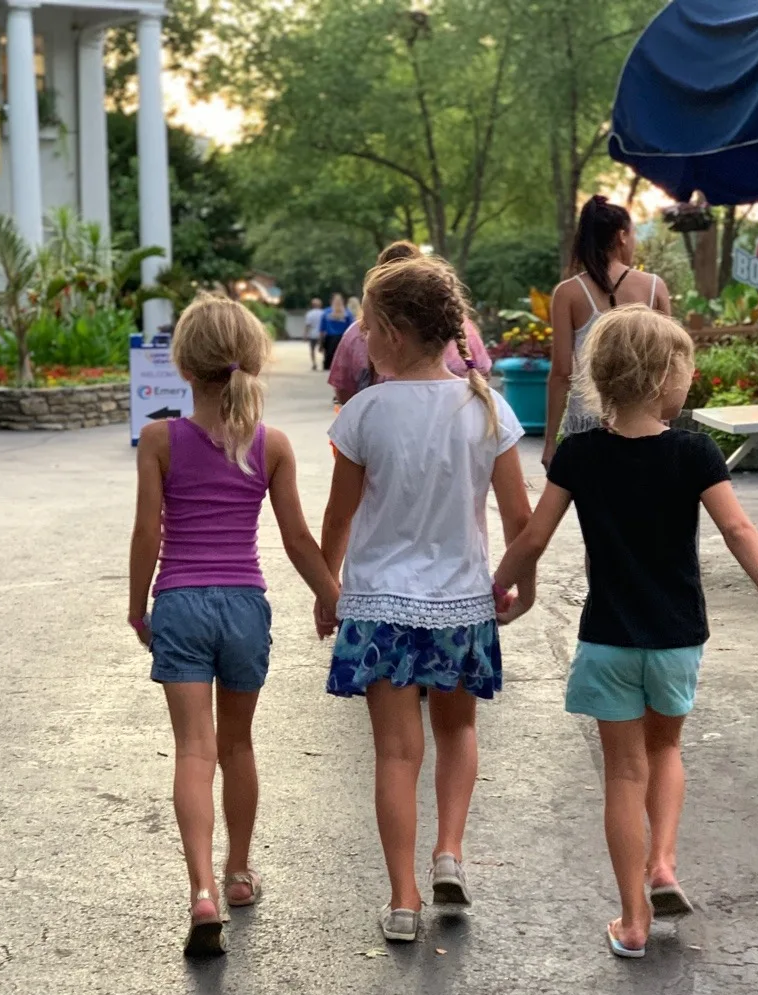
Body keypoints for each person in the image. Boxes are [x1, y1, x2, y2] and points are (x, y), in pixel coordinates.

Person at [493, 305, 758, 959]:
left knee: (623, 774)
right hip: (676, 638)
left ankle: (633, 920)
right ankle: (663, 863)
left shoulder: (580, 454)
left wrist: (496, 590)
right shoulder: (694, 452)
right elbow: (738, 530)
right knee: (666, 750)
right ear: (666, 374)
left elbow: (533, 537)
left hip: (607, 639)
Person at [317, 255, 533, 943]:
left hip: (378, 605)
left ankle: (404, 900)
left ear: (392, 333)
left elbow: (339, 517)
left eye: (365, 324)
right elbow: (519, 516)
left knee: (395, 754)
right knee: (458, 731)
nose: (360, 335)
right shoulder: (486, 407)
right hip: (462, 602)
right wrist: (519, 580)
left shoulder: (364, 413)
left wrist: (328, 588)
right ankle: (449, 853)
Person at [128, 294, 339, 959]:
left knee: (193, 751)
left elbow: (146, 533)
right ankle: (239, 872)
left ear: (183, 368)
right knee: (237, 745)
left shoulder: (160, 441)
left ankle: (200, 892)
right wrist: (331, 596)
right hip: (246, 606)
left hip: (181, 604)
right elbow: (298, 539)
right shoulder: (271, 444)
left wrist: (137, 607)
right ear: (253, 362)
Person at [543, 195, 672, 466]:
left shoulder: (568, 293)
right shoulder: (654, 287)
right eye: (633, 234)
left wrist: (550, 442)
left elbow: (562, 373)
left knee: (591, 494)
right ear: (622, 236)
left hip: (587, 424)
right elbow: (669, 363)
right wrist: (665, 421)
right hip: (644, 422)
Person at [328, 240, 492, 405]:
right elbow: (482, 372)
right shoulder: (458, 325)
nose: (367, 333)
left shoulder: (357, 333)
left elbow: (343, 390)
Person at [320, 293, 354, 371]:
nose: (338, 302)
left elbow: (351, 327)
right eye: (336, 300)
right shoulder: (326, 312)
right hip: (330, 338)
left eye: (340, 300)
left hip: (343, 338)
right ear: (331, 301)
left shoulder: (347, 314)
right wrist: (321, 342)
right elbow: (322, 329)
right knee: (329, 356)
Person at [304, 296, 325, 371]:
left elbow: (307, 325)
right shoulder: (323, 313)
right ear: (320, 305)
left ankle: (314, 363)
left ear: (312, 305)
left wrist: (305, 335)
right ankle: (324, 362)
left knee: (312, 350)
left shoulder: (309, 314)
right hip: (322, 334)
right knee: (324, 350)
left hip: (313, 335)